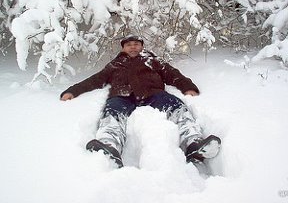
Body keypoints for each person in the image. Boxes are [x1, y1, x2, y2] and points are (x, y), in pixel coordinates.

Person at [60, 35, 221, 168]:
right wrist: (72, 91)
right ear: (123, 48)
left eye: (136, 44)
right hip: (123, 95)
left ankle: (193, 142)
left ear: (141, 46)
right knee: (112, 111)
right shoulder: (115, 64)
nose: (133, 47)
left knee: (176, 106)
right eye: (129, 45)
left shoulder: (152, 60)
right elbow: (95, 79)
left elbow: (172, 74)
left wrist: (187, 87)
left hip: (153, 93)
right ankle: (109, 145)